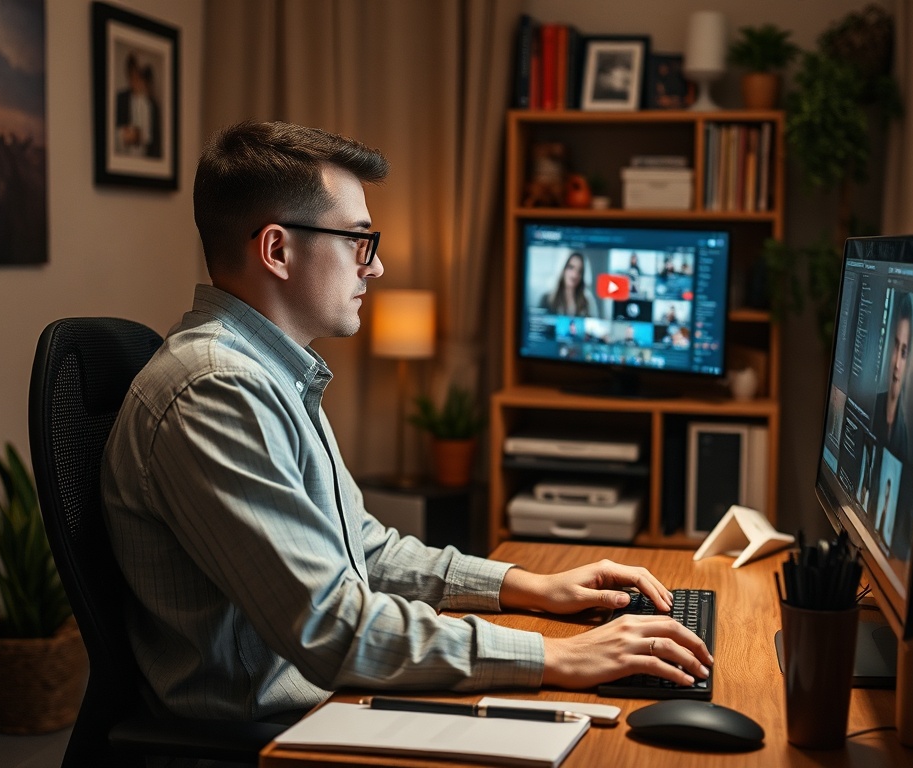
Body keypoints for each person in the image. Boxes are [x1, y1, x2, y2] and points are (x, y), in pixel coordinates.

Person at [101, 120, 711, 724]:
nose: (375, 268)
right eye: (358, 241)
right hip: (270, 735)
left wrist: (532, 588)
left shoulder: (268, 374)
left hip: (325, 701)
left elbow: (365, 550)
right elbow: (332, 627)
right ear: (277, 250)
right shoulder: (216, 390)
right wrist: (560, 653)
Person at [873, 292, 913, 462]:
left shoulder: (904, 436)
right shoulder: (872, 407)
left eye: (904, 352)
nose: (897, 363)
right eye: (896, 346)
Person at [115, 53, 161, 158]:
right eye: (133, 75)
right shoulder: (121, 98)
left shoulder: (152, 106)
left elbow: (154, 140)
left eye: (139, 76)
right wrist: (125, 135)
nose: (136, 81)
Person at [539, 251, 599, 317]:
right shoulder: (546, 299)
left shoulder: (588, 302)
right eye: (571, 267)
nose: (575, 275)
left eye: (580, 271)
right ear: (563, 269)